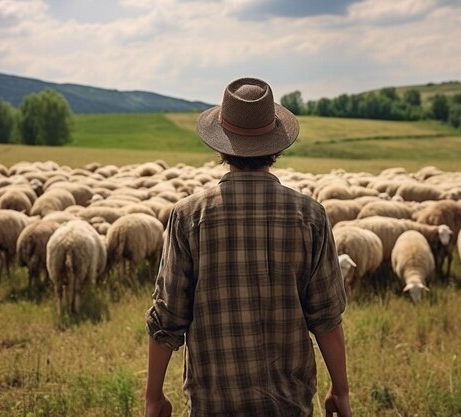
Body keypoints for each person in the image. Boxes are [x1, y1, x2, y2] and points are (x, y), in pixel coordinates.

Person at [144, 77, 352, 417]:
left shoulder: (188, 217)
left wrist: (154, 397)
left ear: (221, 146)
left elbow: (167, 318)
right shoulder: (311, 216)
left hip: (214, 401)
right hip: (289, 403)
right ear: (277, 146)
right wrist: (340, 390)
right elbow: (327, 317)